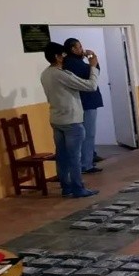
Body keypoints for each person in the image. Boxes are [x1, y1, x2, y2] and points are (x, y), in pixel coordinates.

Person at [39, 42, 100, 198]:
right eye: (63, 55)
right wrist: (93, 67)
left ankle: (66, 187)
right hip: (71, 120)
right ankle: (78, 188)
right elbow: (90, 86)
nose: (65, 57)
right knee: (74, 156)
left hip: (56, 118)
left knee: (62, 155)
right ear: (57, 57)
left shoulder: (45, 73)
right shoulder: (61, 74)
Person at [62, 38, 103, 174]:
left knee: (87, 134)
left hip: (86, 101)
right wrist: (93, 62)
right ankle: (86, 164)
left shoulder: (75, 61)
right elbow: (91, 75)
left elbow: (94, 72)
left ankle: (88, 159)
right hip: (85, 102)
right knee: (88, 134)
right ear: (73, 49)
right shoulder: (72, 63)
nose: (82, 49)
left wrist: (93, 62)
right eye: (79, 47)